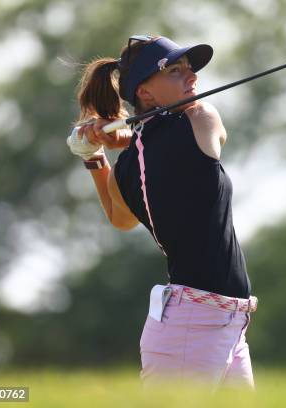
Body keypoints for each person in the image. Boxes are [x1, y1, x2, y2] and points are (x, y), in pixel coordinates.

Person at [67, 34, 257, 389]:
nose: (192, 77)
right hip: (190, 325)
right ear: (146, 93)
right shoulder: (199, 119)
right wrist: (104, 149)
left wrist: (98, 153)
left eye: (189, 69)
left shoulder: (128, 163)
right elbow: (122, 218)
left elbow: (118, 214)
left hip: (229, 325)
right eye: (174, 70)